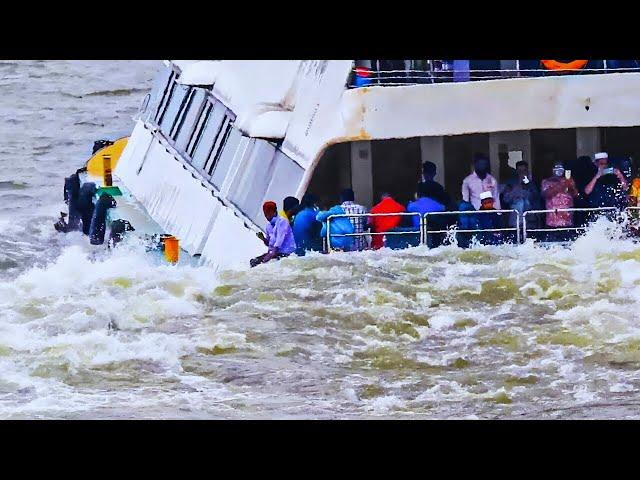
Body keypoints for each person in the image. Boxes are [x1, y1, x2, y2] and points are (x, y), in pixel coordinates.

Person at [250, 201, 297, 267]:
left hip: (286, 254)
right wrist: (263, 238)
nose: (266, 216)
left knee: (263, 265)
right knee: (253, 262)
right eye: (265, 214)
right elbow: (269, 244)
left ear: (274, 212)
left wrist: (269, 257)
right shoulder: (268, 226)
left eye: (268, 213)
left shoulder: (282, 222)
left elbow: (279, 242)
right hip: (275, 254)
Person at [541, 163, 579, 240]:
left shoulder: (569, 180)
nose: (559, 171)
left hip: (567, 220)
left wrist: (570, 186)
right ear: (552, 170)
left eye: (561, 168)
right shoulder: (546, 182)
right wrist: (561, 184)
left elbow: (576, 195)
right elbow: (547, 194)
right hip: (552, 222)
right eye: (557, 168)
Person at [501, 160, 541, 229]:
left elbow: (536, 198)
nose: (522, 173)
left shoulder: (531, 184)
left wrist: (528, 186)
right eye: (520, 171)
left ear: (527, 171)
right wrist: (514, 191)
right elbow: (505, 199)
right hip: (515, 218)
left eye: (524, 170)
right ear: (516, 171)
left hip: (530, 218)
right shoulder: (510, 183)